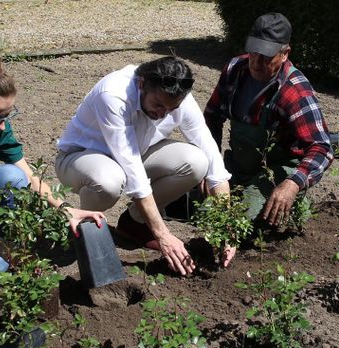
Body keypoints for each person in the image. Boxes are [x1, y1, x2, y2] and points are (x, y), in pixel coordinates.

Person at [55, 56, 234, 276]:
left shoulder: (178, 99)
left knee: (197, 162)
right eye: (158, 105)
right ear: (141, 84)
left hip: (134, 155)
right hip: (80, 159)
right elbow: (132, 169)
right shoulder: (114, 95)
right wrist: (163, 235)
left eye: (170, 109)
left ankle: (134, 223)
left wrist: (227, 227)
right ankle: (87, 233)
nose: (162, 113)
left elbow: (211, 156)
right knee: (109, 181)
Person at [0, 47, 105, 284]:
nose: (2, 126)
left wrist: (66, 209)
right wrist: (2, 248)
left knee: (12, 177)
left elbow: (27, 175)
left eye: (7, 116)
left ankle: (14, 260)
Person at [204, 12, 334, 228]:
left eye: (266, 56)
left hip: (275, 171)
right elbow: (212, 117)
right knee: (192, 202)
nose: (256, 62)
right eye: (253, 52)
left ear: (285, 54)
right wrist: (210, 166)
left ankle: (293, 206)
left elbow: (322, 147)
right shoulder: (235, 69)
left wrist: (293, 184)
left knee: (239, 223)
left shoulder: (295, 91)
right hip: (238, 165)